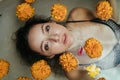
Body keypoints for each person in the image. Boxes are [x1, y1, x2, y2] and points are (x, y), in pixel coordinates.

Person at [15, 0, 120, 80]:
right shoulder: (73, 71)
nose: (55, 37)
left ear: (52, 22)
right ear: (49, 55)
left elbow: (111, 19)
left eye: (47, 28)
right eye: (46, 46)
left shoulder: (78, 15)